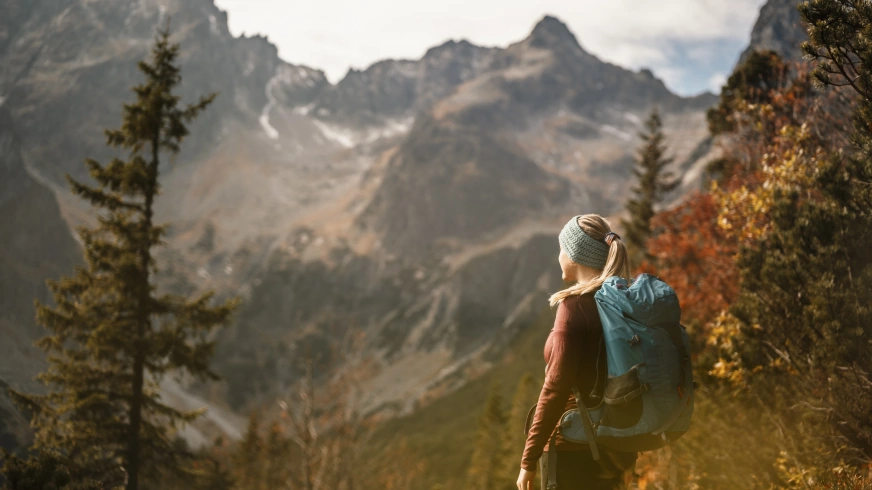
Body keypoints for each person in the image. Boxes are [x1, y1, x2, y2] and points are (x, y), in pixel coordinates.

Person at [517, 214, 638, 490]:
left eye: (562, 248)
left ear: (574, 253)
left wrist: (528, 460)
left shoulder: (573, 307)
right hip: (619, 443)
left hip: (574, 447)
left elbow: (555, 387)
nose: (559, 255)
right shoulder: (622, 301)